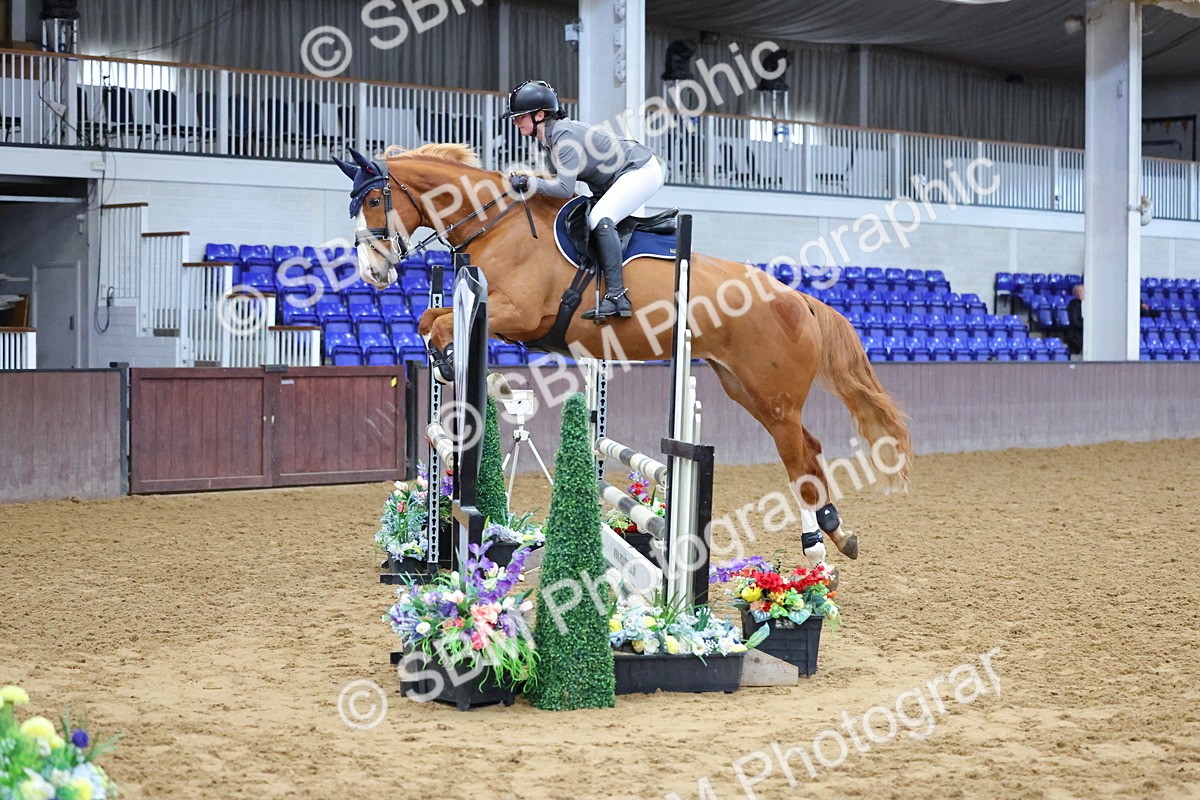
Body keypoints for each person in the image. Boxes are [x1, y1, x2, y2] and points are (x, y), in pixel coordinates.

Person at [503, 79, 665, 322]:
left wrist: (529, 182)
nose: (515, 122)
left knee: (599, 218)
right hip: (614, 178)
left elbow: (563, 189)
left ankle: (617, 295)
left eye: (519, 117)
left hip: (641, 170)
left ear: (539, 115)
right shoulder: (550, 138)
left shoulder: (563, 136)